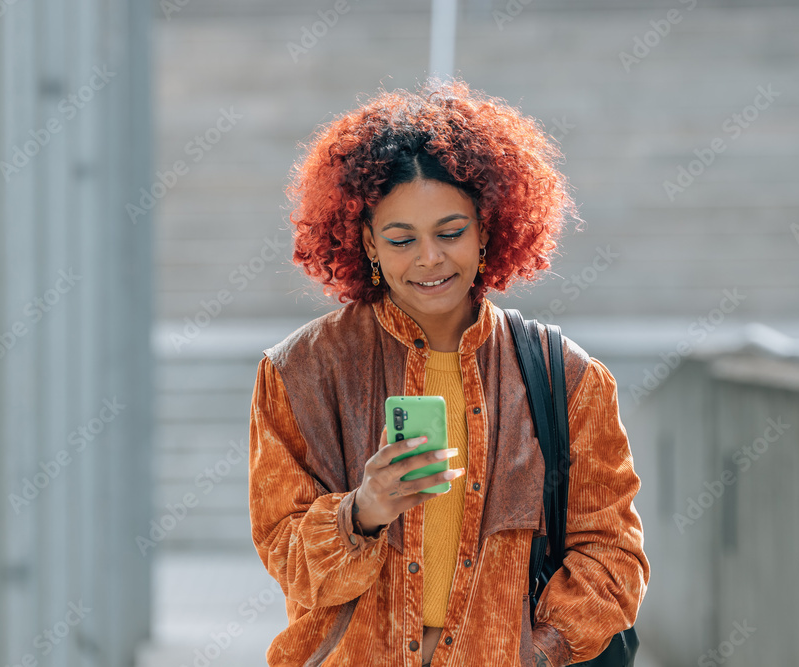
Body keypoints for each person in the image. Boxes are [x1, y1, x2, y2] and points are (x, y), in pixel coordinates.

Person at [248, 76, 650, 667]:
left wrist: (531, 653)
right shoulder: (297, 373)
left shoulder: (567, 377)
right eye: (401, 238)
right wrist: (362, 512)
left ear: (487, 231)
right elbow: (286, 557)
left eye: (451, 232)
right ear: (368, 244)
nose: (429, 258)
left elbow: (614, 556)